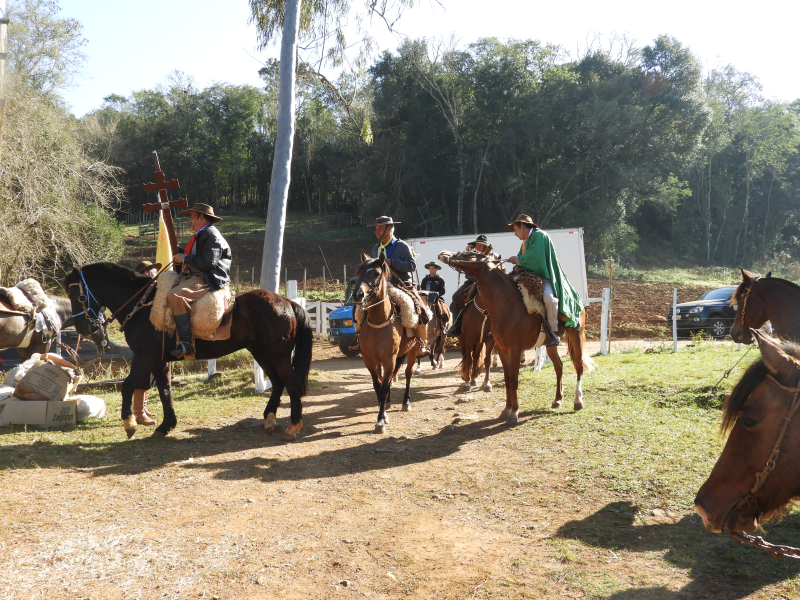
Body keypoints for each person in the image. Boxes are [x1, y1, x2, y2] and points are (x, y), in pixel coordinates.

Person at [349, 216, 429, 354]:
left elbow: (412, 265)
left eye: (380, 229)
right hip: (380, 286)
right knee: (358, 308)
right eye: (376, 229)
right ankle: (358, 338)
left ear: (390, 229)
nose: (377, 232)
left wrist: (391, 262)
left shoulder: (402, 246)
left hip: (402, 284)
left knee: (421, 309)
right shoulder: (375, 248)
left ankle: (422, 343)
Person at [506, 214, 583, 347]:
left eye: (516, 230)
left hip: (544, 278)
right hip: (528, 278)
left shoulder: (540, 236)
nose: (515, 234)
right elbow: (521, 259)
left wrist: (517, 260)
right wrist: (516, 266)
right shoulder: (525, 242)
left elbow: (534, 259)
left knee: (549, 298)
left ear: (523, 226)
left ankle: (553, 332)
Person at [167, 203, 232, 358]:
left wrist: (185, 257)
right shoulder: (203, 234)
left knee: (175, 295)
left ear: (201, 217)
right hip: (199, 275)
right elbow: (197, 256)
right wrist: (177, 250)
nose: (190, 221)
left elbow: (208, 262)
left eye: (192, 217)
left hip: (208, 279)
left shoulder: (211, 234)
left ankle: (186, 343)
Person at [132, 260, 161, 425]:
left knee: (153, 374)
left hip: (155, 336)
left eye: (153, 270)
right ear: (144, 273)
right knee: (143, 373)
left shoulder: (155, 288)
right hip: (144, 337)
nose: (154, 272)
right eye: (150, 270)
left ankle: (143, 407)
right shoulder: (141, 291)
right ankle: (138, 413)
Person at [449, 234, 494, 336]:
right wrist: (465, 254)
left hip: (486, 284)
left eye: (482, 245)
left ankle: (496, 326)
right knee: (456, 297)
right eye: (477, 245)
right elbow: (459, 268)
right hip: (470, 282)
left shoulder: (492, 256)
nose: (479, 247)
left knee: (497, 299)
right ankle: (456, 326)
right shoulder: (469, 255)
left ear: (485, 247)